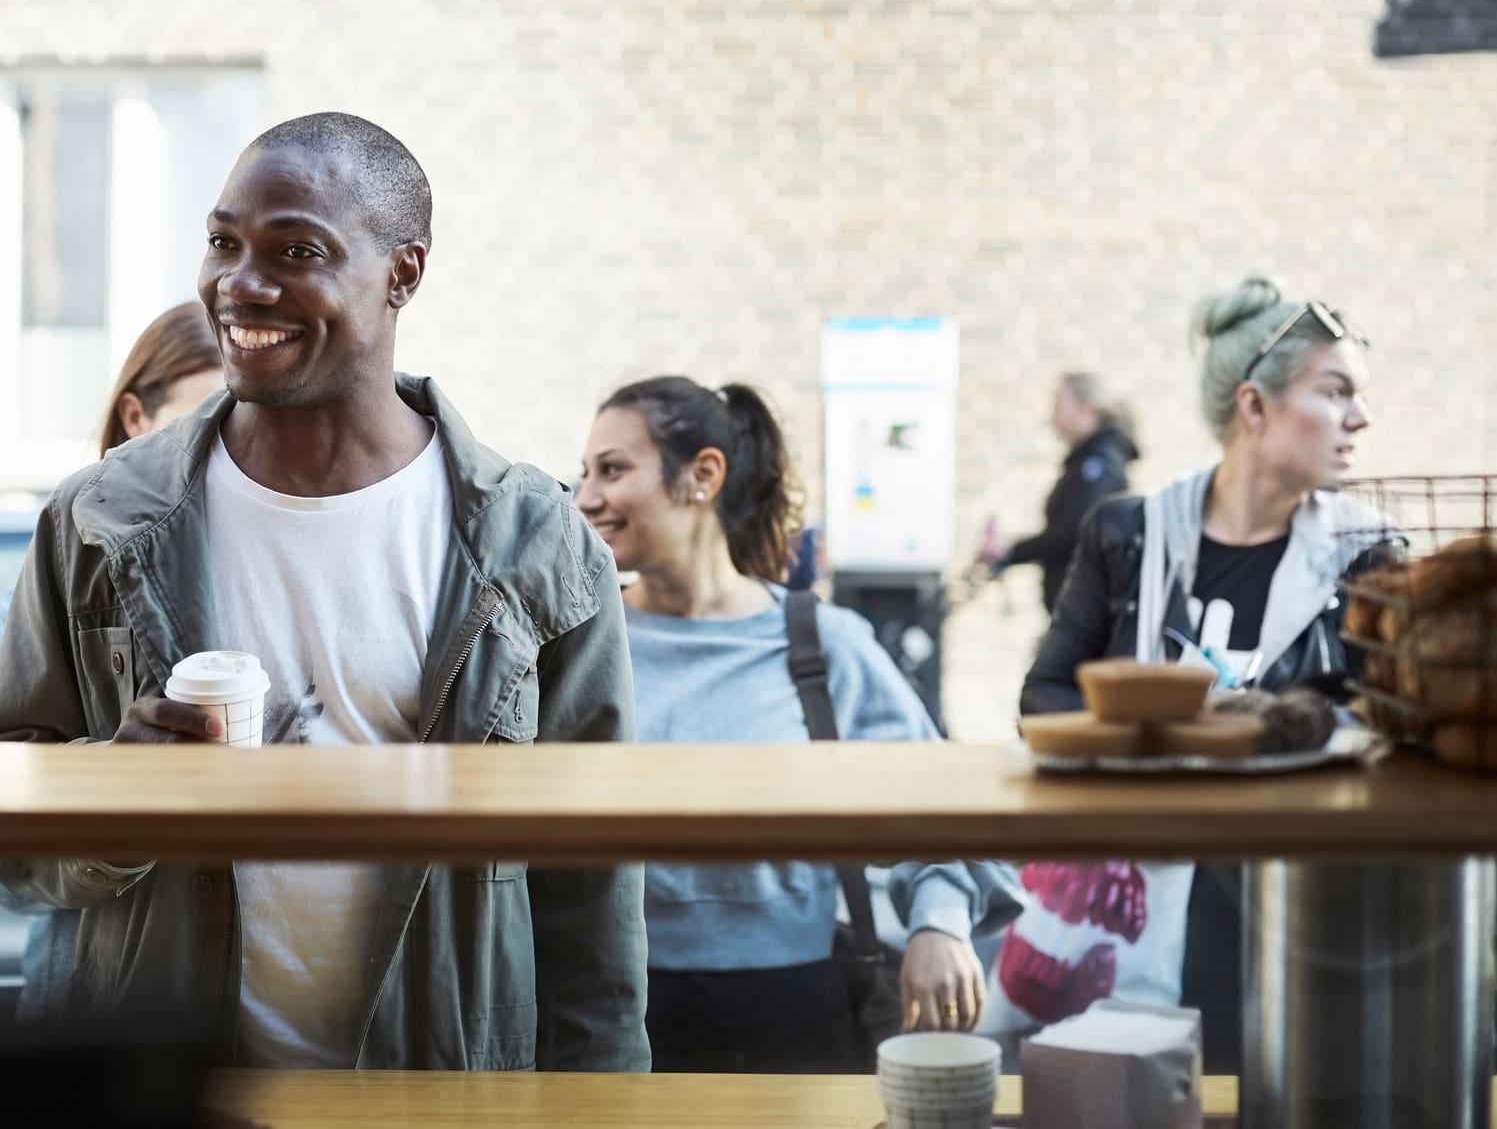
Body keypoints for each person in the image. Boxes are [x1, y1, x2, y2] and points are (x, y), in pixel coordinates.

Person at [0, 112, 649, 1070]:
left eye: (296, 251)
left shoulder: (534, 546)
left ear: (402, 273)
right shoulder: (97, 519)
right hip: (159, 1090)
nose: (239, 285)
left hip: (434, 1097)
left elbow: (592, 901)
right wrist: (113, 792)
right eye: (222, 242)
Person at [576, 376, 1021, 1074]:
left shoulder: (820, 644)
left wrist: (938, 922)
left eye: (612, 469)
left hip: (790, 1007)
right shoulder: (580, 644)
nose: (585, 498)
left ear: (702, 476)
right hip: (608, 1007)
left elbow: (939, 806)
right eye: (584, 473)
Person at [996, 277, 1388, 1068]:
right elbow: (1043, 696)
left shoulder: (1366, 559)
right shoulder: (1127, 535)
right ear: (1254, 408)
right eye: (1335, 391)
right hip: (1129, 904)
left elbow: (1390, 732)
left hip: (1297, 913)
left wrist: (1272, 727)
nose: (1360, 418)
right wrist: (1166, 730)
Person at [0, 301, 223, 730]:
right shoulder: (25, 616)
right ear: (135, 417)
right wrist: (117, 762)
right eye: (195, 425)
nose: (223, 444)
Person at [981, 374, 1139, 615]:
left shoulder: (1096, 465)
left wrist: (1011, 552)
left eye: (1058, 404)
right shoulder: (1088, 461)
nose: (1051, 413)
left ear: (1086, 409)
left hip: (1083, 611)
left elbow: (1073, 532)